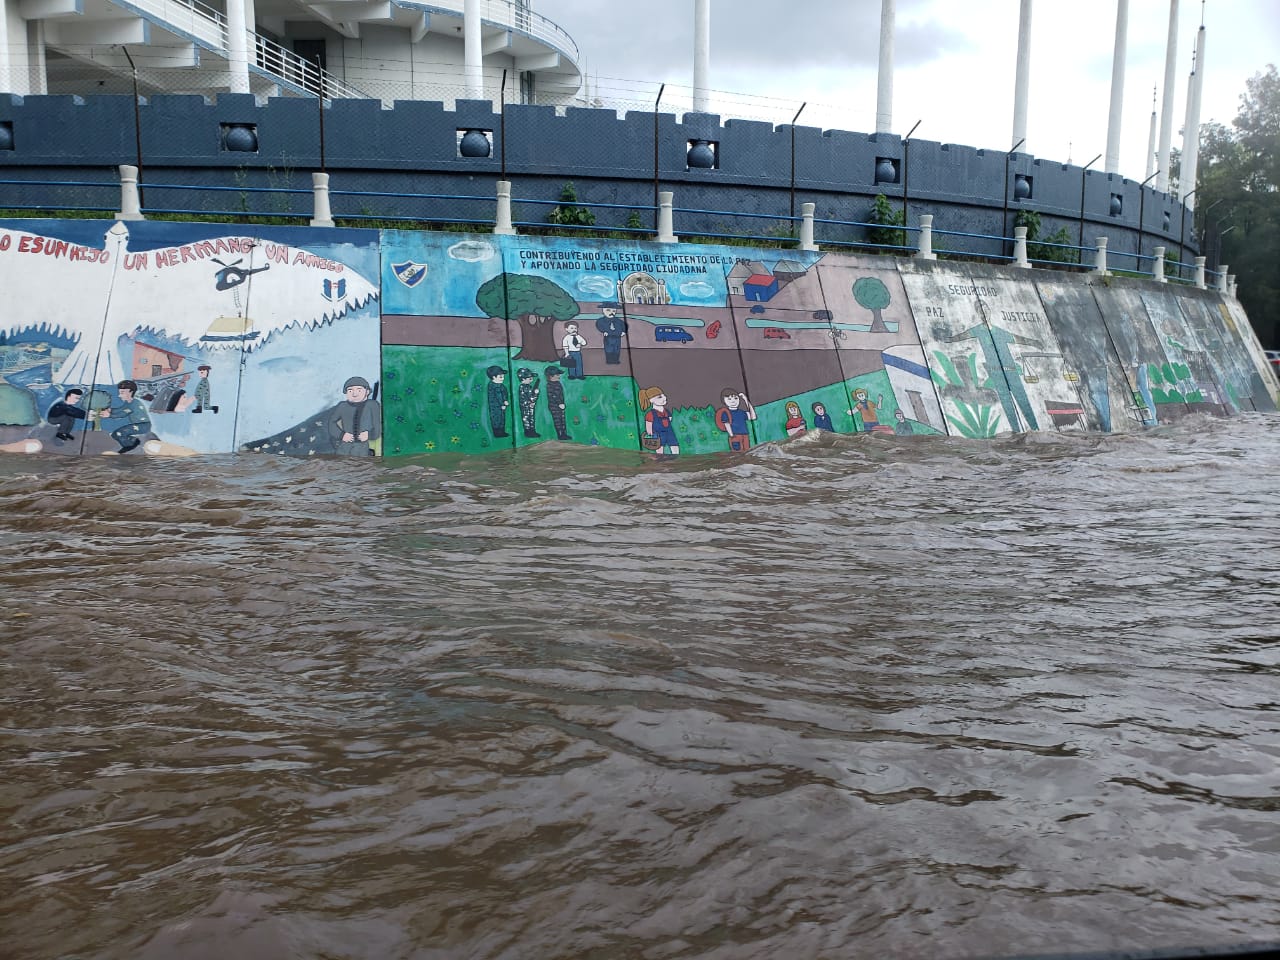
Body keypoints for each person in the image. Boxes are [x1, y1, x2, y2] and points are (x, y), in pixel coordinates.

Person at [329, 375, 382, 456]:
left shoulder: (372, 405)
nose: (354, 394)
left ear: (367, 392)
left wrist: (369, 434)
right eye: (350, 390)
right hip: (345, 445)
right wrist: (342, 435)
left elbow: (378, 425)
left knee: (360, 464)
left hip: (362, 446)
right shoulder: (342, 406)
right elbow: (331, 423)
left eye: (359, 390)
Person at [98, 379, 151, 454]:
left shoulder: (134, 403)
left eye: (122, 393)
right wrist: (111, 410)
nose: (120, 395)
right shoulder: (128, 403)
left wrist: (109, 415)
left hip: (143, 425)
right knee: (115, 434)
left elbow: (123, 413)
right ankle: (132, 442)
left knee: (119, 433)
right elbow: (121, 409)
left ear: (131, 392)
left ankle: (130, 445)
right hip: (138, 425)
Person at [638, 386, 679, 454]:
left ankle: (676, 458)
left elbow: (670, 419)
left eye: (663, 395)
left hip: (669, 432)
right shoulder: (650, 414)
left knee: (674, 445)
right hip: (658, 433)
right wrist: (650, 433)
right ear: (651, 400)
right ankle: (660, 460)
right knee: (659, 447)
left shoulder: (666, 411)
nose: (664, 398)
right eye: (660, 397)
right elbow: (648, 424)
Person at [714, 388, 756, 452]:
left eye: (736, 398)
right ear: (724, 401)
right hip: (735, 436)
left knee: (747, 452)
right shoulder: (726, 412)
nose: (733, 401)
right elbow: (727, 424)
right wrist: (732, 436)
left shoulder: (741, 412)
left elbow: (753, 417)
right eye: (729, 399)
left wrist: (746, 400)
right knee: (737, 454)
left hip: (745, 435)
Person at [544, 365, 570, 440]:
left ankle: (564, 434)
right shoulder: (549, 385)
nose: (559, 376)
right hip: (554, 406)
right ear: (551, 376)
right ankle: (560, 434)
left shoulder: (558, 383)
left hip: (561, 405)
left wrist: (562, 403)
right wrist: (559, 403)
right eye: (557, 375)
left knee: (562, 419)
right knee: (558, 420)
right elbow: (553, 396)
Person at [485, 365, 509, 438]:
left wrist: (505, 400)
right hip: (495, 407)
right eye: (500, 377)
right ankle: (497, 433)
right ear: (494, 377)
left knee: (502, 419)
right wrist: (502, 404)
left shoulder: (501, 385)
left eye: (503, 376)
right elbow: (498, 396)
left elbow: (504, 393)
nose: (503, 378)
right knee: (496, 419)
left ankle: (502, 432)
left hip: (501, 406)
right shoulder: (493, 386)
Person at [516, 367, 541, 438]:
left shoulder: (528, 386)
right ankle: (528, 432)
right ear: (523, 379)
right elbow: (528, 398)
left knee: (531, 419)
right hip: (525, 406)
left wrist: (533, 400)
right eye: (529, 378)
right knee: (527, 419)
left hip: (529, 406)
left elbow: (531, 398)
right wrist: (535, 394)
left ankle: (532, 431)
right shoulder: (523, 387)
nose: (531, 380)